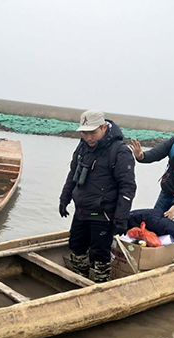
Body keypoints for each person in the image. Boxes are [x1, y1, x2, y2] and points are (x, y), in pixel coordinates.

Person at [59, 110, 136, 283]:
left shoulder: (120, 152)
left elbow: (128, 187)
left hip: (104, 213)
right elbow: (73, 173)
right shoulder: (82, 147)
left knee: (100, 254)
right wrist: (64, 198)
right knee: (76, 247)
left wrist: (121, 218)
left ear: (103, 127)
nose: (89, 137)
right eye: (85, 133)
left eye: (93, 132)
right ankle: (80, 280)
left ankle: (100, 284)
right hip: (82, 210)